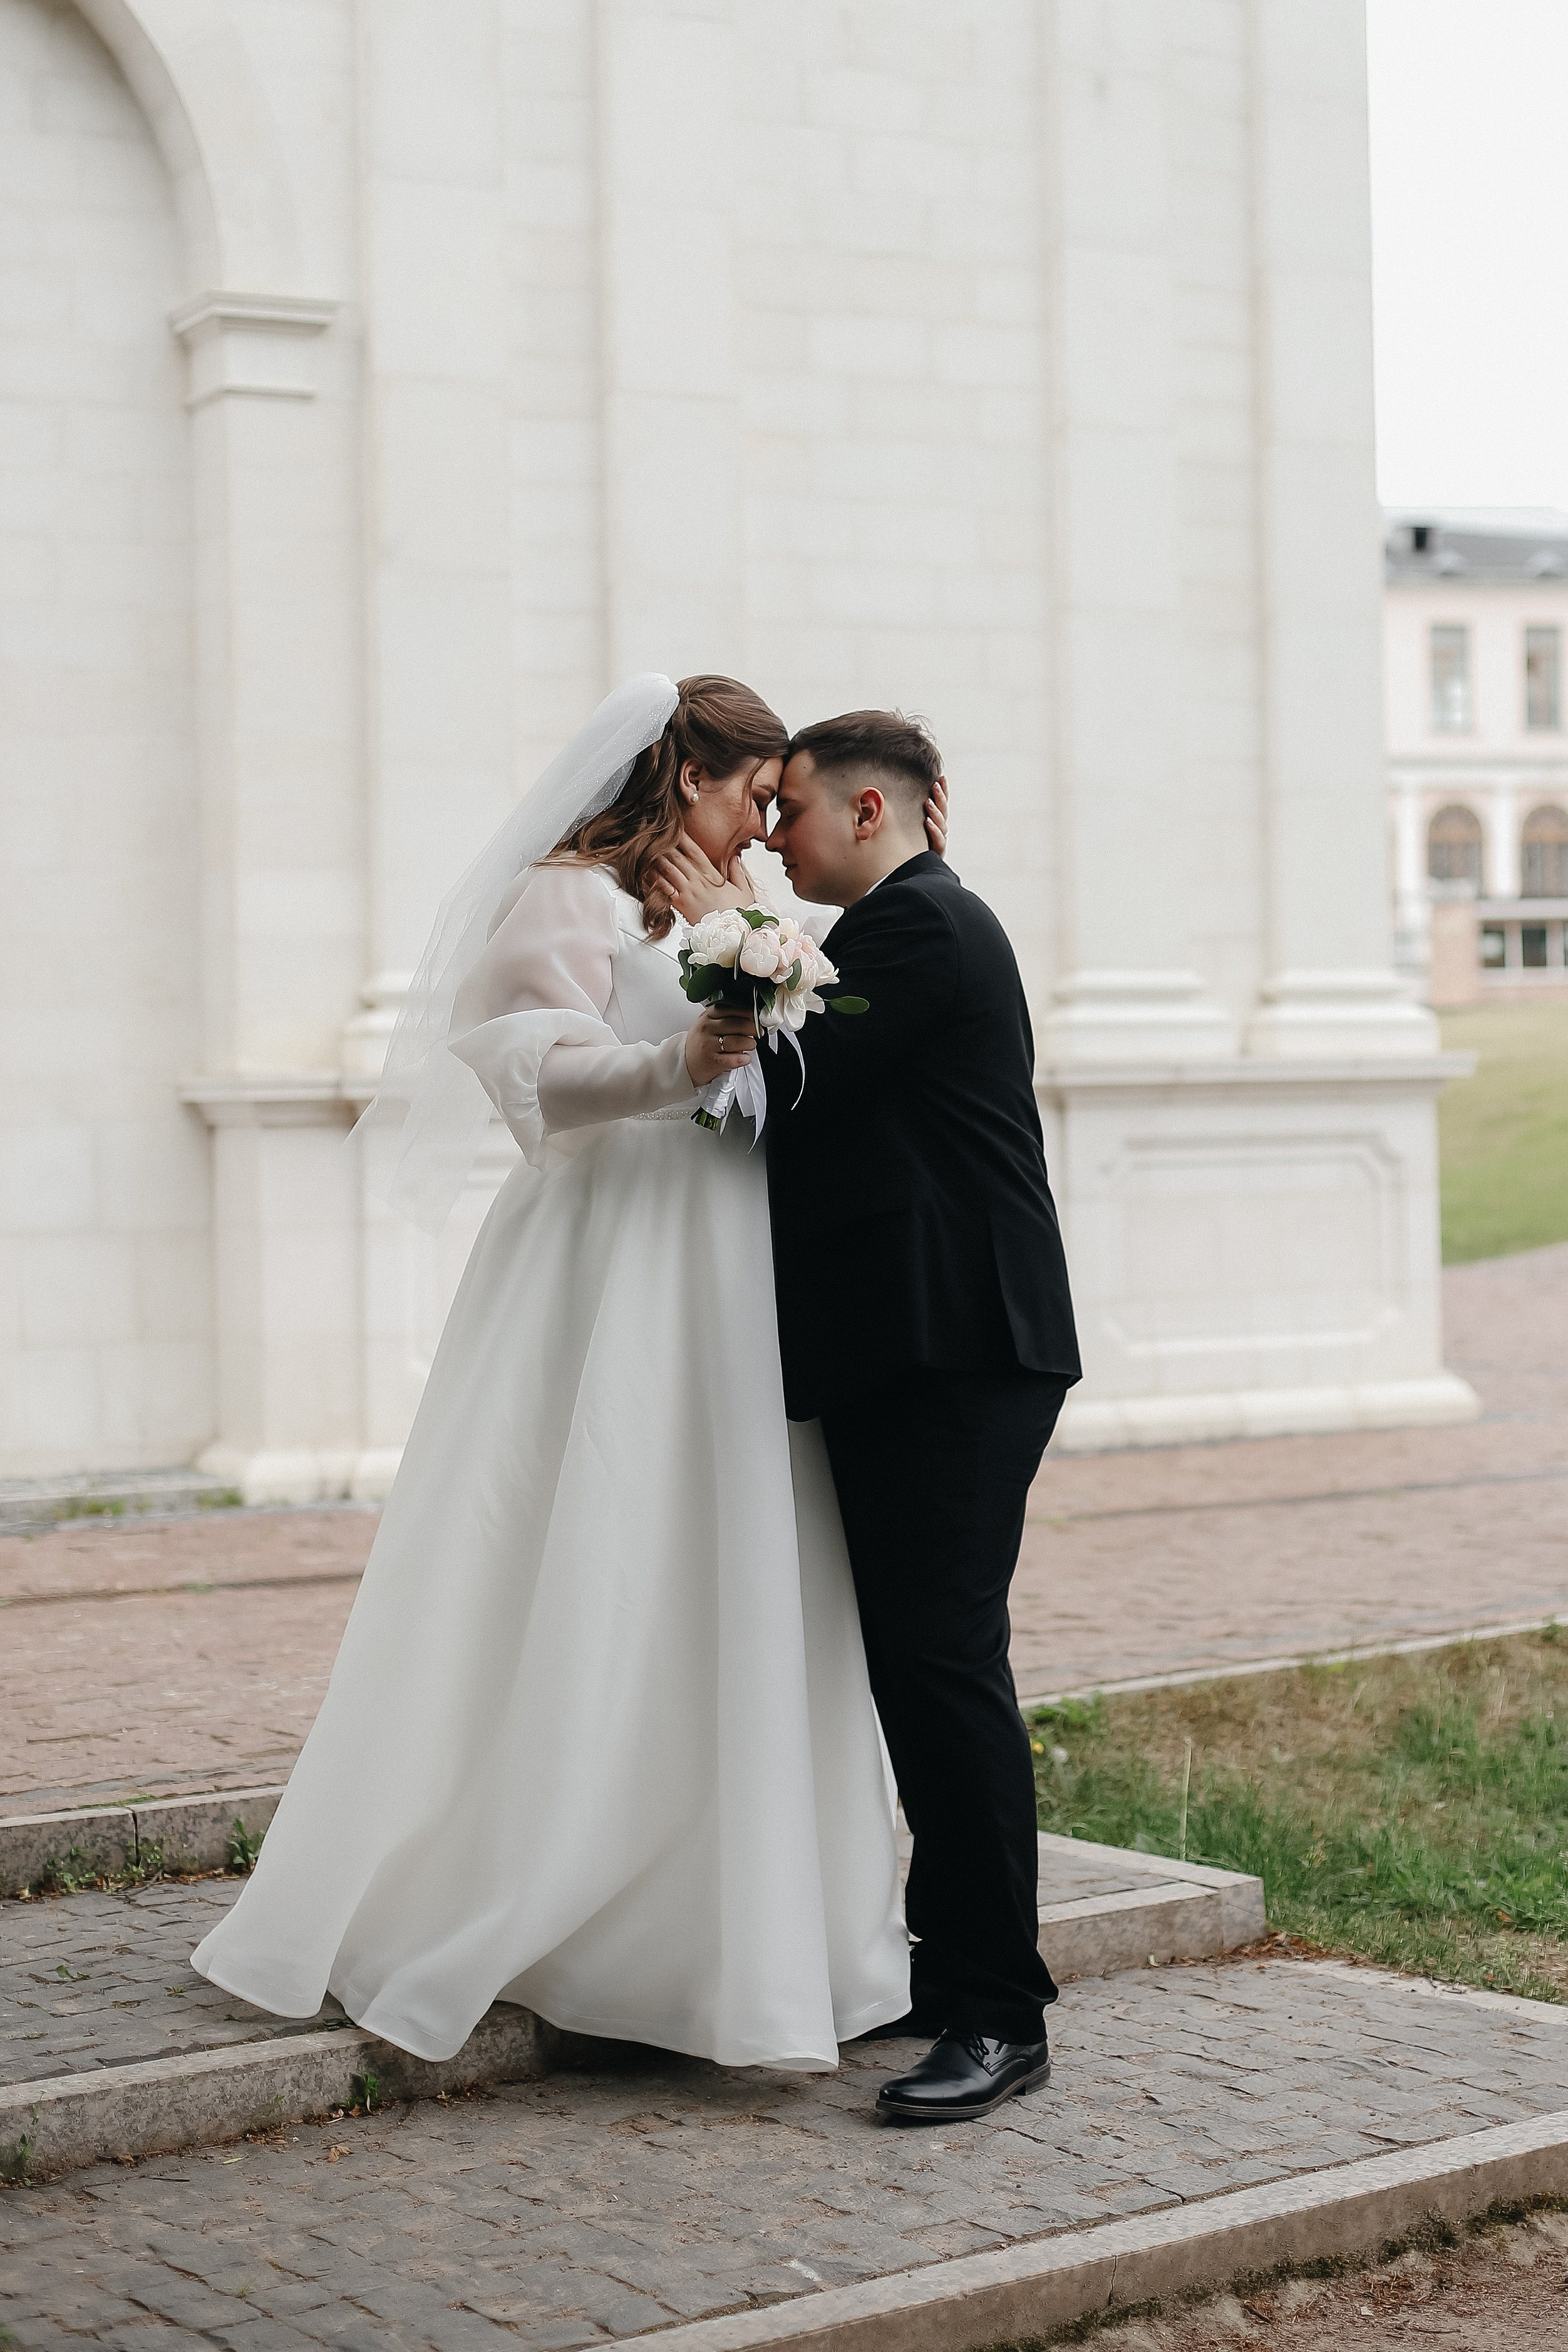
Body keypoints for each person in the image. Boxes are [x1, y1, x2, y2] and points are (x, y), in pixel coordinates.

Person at [191, 674, 913, 2071]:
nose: (769, 828)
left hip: (736, 1265)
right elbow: (533, 1079)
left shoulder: (742, 912)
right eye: (752, 793)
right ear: (684, 770)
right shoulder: (571, 898)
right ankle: (542, 1884)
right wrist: (678, 1055)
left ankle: (744, 1918)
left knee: (743, 1559)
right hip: (617, 1257)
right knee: (599, 1532)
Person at [766, 711, 1083, 2123]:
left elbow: (783, 1086)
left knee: (944, 1669)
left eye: (790, 814)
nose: (773, 842)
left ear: (872, 809)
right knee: (916, 1666)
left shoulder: (919, 932)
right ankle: (946, 1970)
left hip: (956, 1349)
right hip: (915, 1347)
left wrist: (714, 969)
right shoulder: (896, 931)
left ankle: (997, 2011)